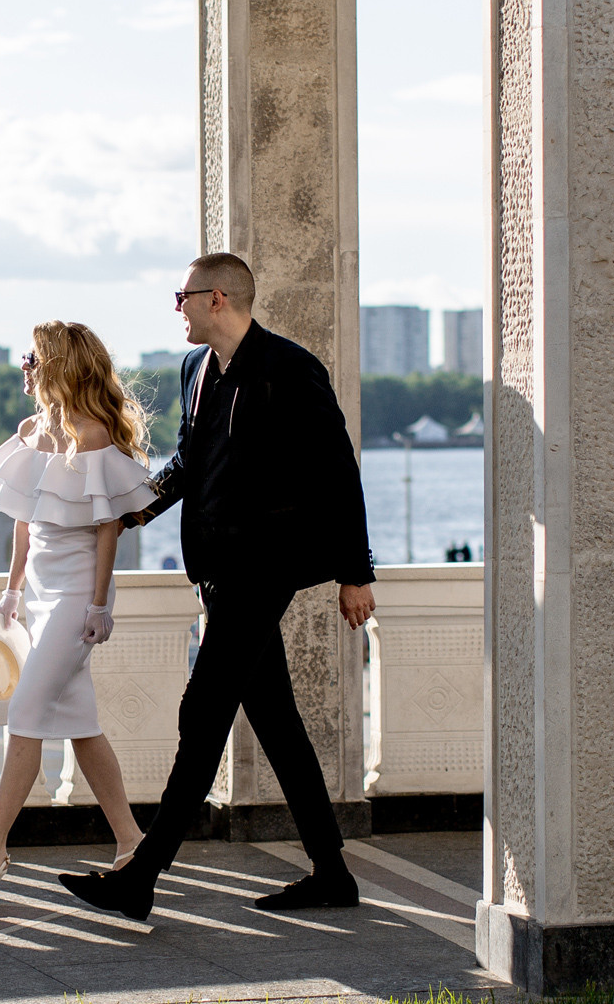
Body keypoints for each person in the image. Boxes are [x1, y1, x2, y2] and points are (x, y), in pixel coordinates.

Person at [58, 252, 376, 923]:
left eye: (183, 297)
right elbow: (189, 460)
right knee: (278, 724)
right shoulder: (194, 369)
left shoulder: (289, 369)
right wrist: (133, 510)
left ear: (217, 299)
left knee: (201, 715)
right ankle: (332, 873)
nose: (176, 308)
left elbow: (337, 472)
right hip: (215, 571)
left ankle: (141, 876)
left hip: (264, 570)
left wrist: (355, 572)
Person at [0, 321, 156, 899]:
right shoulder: (32, 432)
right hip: (40, 593)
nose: (24, 368)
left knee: (26, 714)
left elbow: (108, 530)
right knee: (80, 724)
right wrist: (12, 591)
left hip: (79, 595)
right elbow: (24, 523)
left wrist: (99, 604)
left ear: (58, 365)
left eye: (31, 358)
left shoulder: (95, 433)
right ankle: (132, 841)